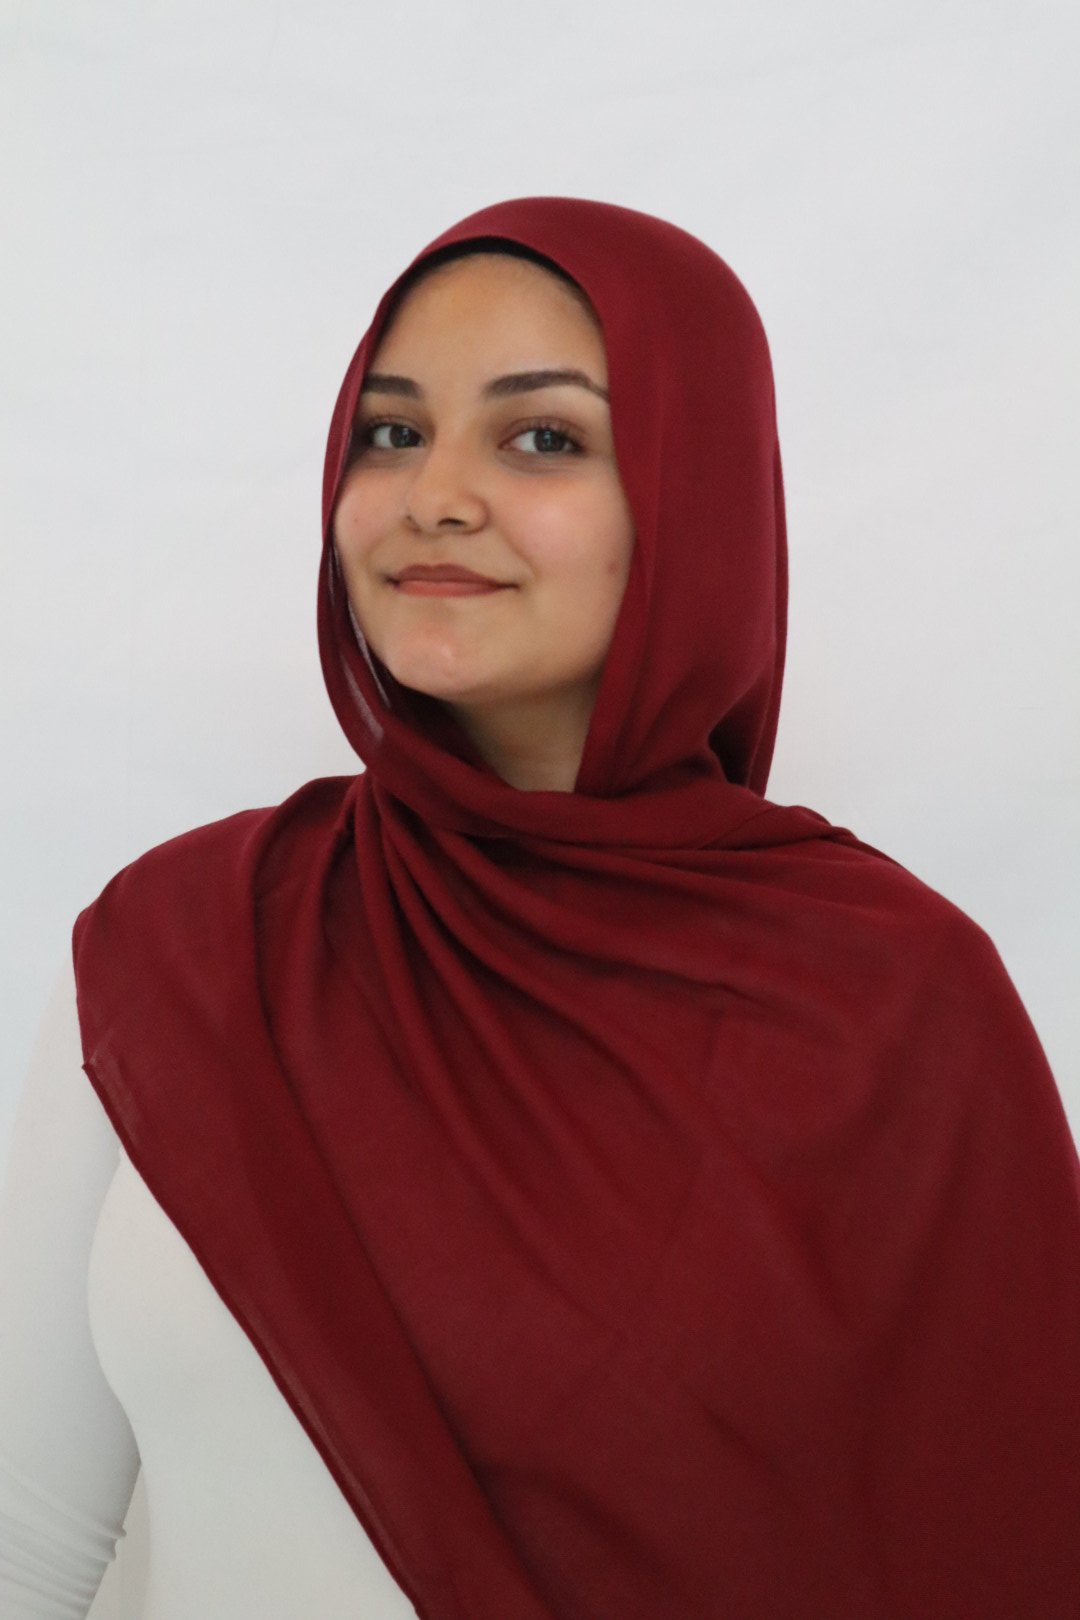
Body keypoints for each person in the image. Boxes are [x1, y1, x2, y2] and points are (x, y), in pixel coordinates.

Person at [2, 195, 1078, 1620]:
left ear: (693, 500)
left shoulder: (894, 999)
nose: (435, 494)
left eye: (544, 439)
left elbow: (995, 1536)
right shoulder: (190, 946)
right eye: (391, 431)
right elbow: (27, 1538)